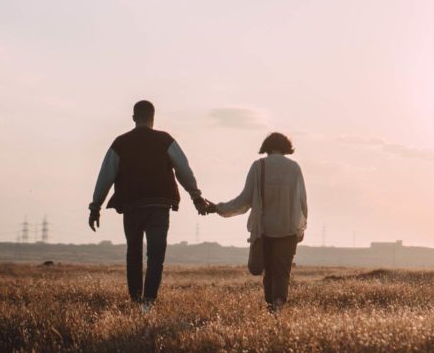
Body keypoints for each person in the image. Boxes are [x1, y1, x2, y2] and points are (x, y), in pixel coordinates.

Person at [88, 100, 210, 311]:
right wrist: (196, 197)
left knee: (133, 253)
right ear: (153, 117)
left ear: (134, 117)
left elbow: (105, 176)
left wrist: (95, 206)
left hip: (132, 206)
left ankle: (136, 301)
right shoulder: (165, 140)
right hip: (159, 206)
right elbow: (183, 170)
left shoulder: (121, 142)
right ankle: (149, 302)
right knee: (156, 255)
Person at [207, 132, 307, 313]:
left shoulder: (258, 166)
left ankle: (271, 306)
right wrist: (301, 228)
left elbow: (244, 200)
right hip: (288, 229)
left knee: (268, 271)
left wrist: (219, 208)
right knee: (282, 271)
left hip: (264, 230)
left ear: (266, 147)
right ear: (286, 148)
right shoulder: (294, 168)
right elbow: (302, 202)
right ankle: (278, 304)